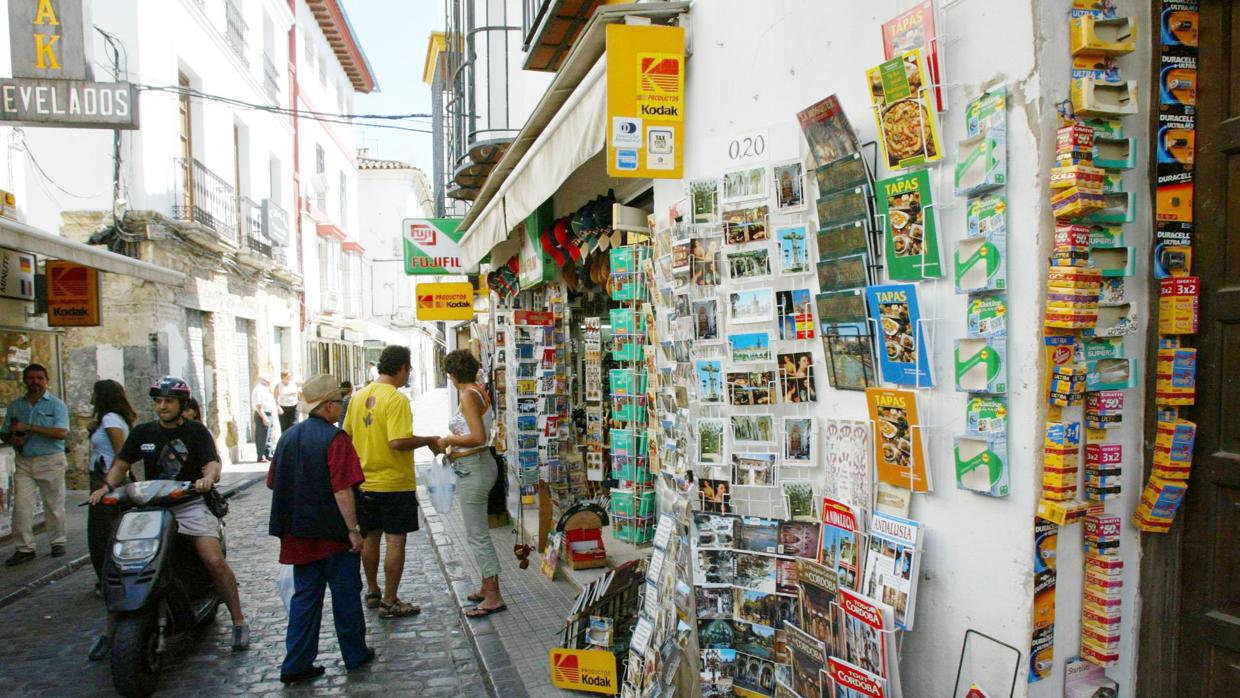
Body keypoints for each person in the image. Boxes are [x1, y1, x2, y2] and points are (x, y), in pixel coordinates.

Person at [87, 377, 249, 657]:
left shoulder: (197, 432)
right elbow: (121, 463)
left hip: (190, 504)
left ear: (181, 404)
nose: (162, 406)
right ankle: (110, 630)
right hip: (151, 507)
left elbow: (212, 462)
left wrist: (208, 478)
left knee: (212, 559)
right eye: (159, 401)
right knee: (124, 563)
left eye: (169, 401)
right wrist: (106, 488)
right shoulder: (143, 432)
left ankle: (238, 619)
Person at [267, 375, 374, 684]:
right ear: (328, 406)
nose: (341, 408)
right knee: (346, 595)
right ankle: (354, 654)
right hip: (332, 534)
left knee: (305, 598)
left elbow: (273, 482)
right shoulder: (334, 439)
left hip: (298, 533)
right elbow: (343, 490)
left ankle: (296, 663)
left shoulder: (288, 437)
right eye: (339, 402)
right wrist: (353, 530)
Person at [342, 346, 439, 619]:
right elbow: (397, 442)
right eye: (408, 369)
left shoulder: (358, 396)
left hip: (364, 482)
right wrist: (428, 440)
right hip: (394, 483)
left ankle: (372, 590)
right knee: (396, 541)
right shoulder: (396, 400)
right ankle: (390, 599)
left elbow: (346, 436)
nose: (408, 375)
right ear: (401, 368)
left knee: (371, 538)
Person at [432, 350, 505, 618]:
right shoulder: (478, 391)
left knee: (477, 534)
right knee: (477, 532)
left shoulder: (467, 395)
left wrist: (448, 440)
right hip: (478, 464)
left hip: (474, 468)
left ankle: (494, 595)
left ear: (451, 375)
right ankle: (487, 586)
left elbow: (477, 436)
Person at [2, 364, 70, 566]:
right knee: (21, 506)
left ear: (46, 380)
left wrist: (30, 428)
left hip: (51, 460)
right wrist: (13, 436)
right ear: (25, 381)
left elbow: (61, 433)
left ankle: (58, 542)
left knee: (54, 504)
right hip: (24, 460)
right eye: (31, 378)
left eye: (39, 378)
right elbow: (5, 431)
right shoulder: (16, 406)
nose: (35, 382)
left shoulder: (56, 405)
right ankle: (24, 548)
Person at [86, 380, 136, 584]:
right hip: (105, 478)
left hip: (105, 479)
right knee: (108, 530)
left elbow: (120, 454)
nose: (92, 397)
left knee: (102, 533)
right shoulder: (111, 419)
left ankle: (110, 576)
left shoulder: (110, 419)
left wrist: (109, 483)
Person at [252, 375, 278, 462]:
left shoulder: (266, 389)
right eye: (268, 380)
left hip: (269, 413)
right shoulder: (258, 389)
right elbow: (258, 405)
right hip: (263, 414)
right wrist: (264, 417)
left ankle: (268, 454)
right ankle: (261, 456)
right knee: (262, 436)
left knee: (269, 435)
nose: (270, 381)